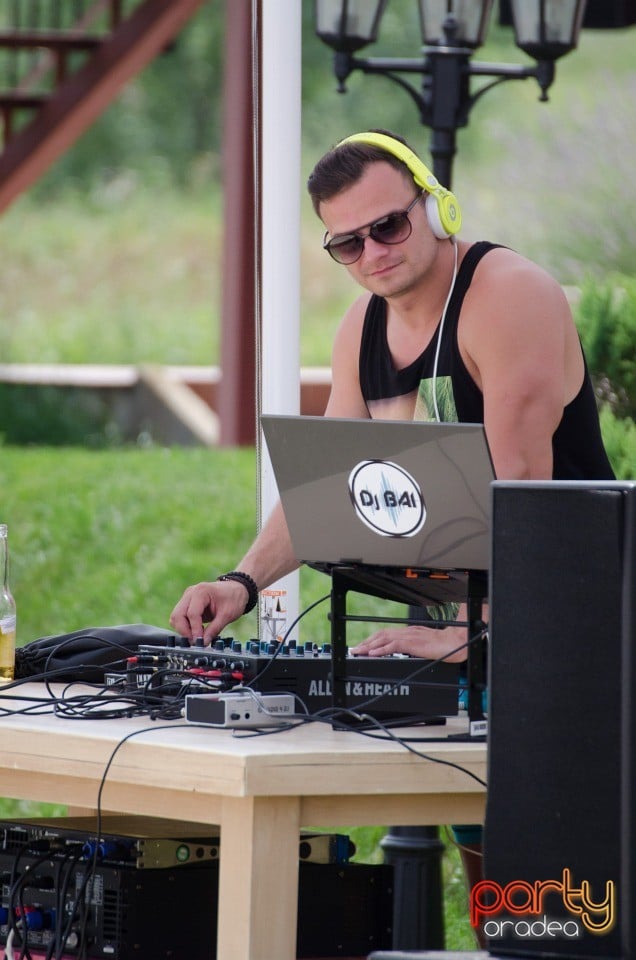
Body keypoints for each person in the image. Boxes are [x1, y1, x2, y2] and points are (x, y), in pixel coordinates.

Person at [170, 129, 615, 942]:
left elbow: (524, 492)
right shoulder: (361, 329)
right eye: (348, 243)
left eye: (388, 226)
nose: (372, 253)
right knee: (446, 873)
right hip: (466, 626)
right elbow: (329, 488)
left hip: (566, 624)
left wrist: (470, 634)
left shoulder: (507, 296)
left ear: (437, 208)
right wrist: (240, 582)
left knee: (545, 895)